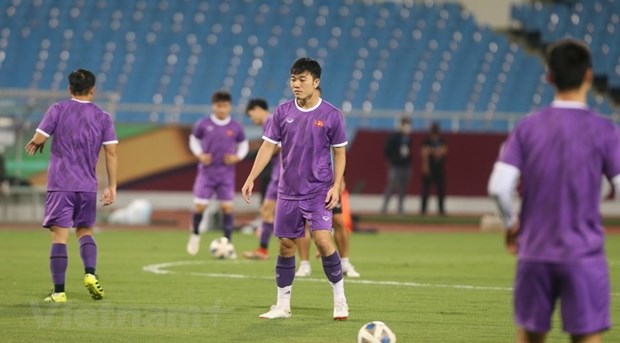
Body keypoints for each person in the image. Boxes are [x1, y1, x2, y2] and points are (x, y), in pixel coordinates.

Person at [488, 39, 619, 343]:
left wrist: (511, 224)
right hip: (584, 255)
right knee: (586, 337)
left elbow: (498, 187)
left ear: (549, 77)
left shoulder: (527, 128)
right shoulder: (606, 131)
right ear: (589, 75)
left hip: (535, 252)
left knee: (531, 337)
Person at [241, 57, 349, 320]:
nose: (296, 84)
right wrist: (251, 177)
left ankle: (340, 299)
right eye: (293, 79)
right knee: (285, 245)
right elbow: (267, 147)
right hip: (288, 191)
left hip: (319, 190)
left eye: (302, 79)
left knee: (323, 241)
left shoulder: (332, 115)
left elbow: (340, 153)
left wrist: (336, 186)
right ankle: (282, 305)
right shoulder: (282, 112)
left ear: (316, 81)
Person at [25, 69, 118, 303]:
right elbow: (112, 153)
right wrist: (112, 186)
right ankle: (90, 273)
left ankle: (59, 292)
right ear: (93, 90)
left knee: (59, 237)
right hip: (87, 186)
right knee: (85, 231)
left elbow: (39, 138)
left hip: (60, 185)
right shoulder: (103, 117)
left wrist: (37, 143)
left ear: (69, 89)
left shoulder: (57, 109)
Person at [186, 91, 248, 256]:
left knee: (227, 208)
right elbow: (193, 140)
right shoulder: (203, 124)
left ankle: (228, 244)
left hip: (226, 174)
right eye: (218, 106)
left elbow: (244, 145)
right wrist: (200, 155)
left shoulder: (235, 126)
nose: (221, 109)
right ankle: (195, 234)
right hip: (206, 173)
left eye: (225, 106)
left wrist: (237, 157)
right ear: (214, 106)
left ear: (229, 107)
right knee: (200, 206)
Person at [295, 177, 361, 279]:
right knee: (303, 222)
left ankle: (344, 263)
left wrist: (340, 179)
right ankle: (304, 264)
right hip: (304, 180)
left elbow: (337, 160)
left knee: (338, 220)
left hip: (326, 180)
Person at [242, 99, 280, 260]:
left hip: (282, 174)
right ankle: (263, 249)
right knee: (267, 210)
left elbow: (278, 145)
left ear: (257, 109)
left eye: (251, 116)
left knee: (280, 214)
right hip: (276, 174)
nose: (252, 120)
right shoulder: (269, 122)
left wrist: (260, 155)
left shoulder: (270, 120)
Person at [381, 117, 413, 214]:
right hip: (396, 165)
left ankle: (400, 209)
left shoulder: (408, 138)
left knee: (403, 188)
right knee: (391, 186)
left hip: (406, 165)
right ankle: (384, 208)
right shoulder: (395, 137)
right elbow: (387, 149)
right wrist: (392, 159)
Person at [420, 122, 447, 215]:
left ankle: (441, 210)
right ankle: (423, 210)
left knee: (441, 191)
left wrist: (432, 151)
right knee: (425, 190)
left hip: (439, 168)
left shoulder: (442, 140)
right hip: (429, 168)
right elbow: (424, 153)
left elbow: (443, 151)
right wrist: (425, 166)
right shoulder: (427, 141)